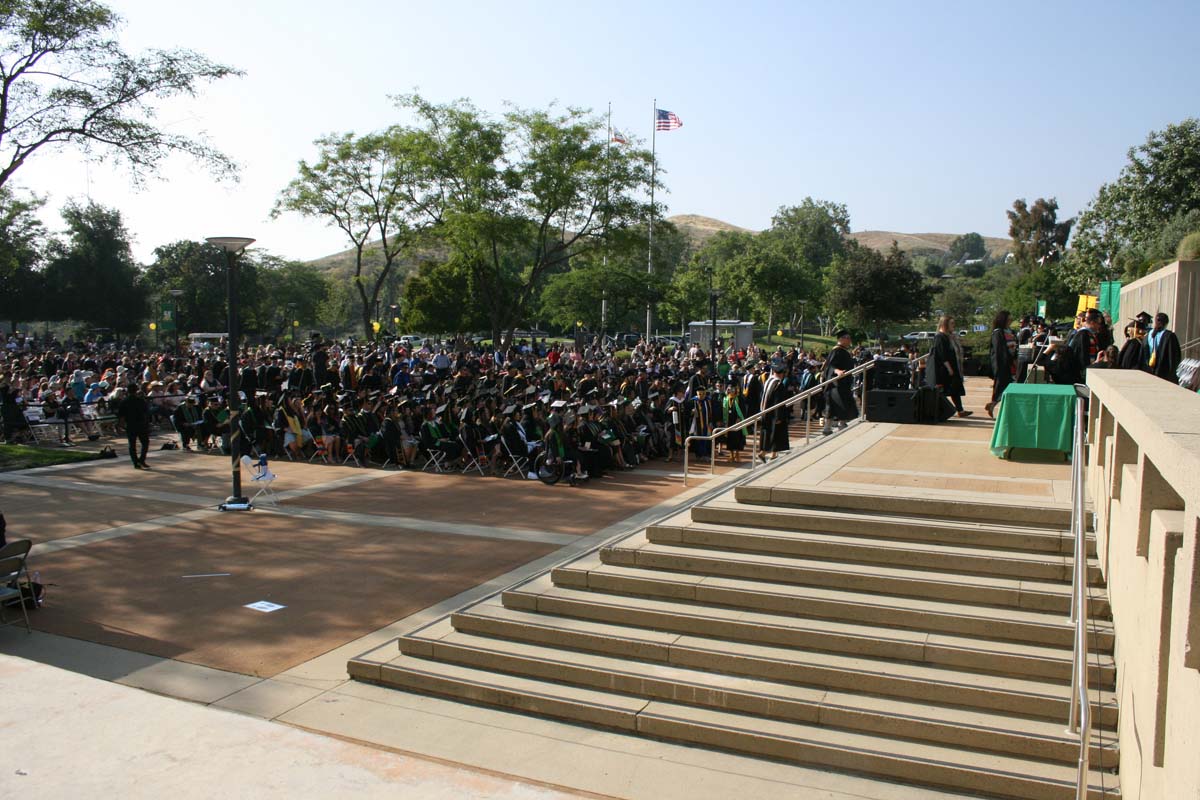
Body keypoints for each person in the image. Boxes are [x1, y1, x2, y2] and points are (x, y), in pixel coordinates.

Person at [926, 316, 971, 418]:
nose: (953, 326)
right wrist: (949, 368)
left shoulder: (949, 336)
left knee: (954, 389)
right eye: (951, 323)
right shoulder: (940, 337)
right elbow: (942, 354)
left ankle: (960, 410)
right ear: (944, 324)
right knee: (944, 390)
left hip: (951, 367)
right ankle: (937, 411)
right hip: (944, 369)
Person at [821, 331, 856, 435]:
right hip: (836, 384)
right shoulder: (837, 351)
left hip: (843, 383)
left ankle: (841, 424)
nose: (850, 340)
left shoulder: (844, 351)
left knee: (842, 403)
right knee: (834, 404)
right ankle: (828, 427)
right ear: (841, 339)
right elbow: (830, 365)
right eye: (847, 338)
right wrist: (837, 371)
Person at [985, 311, 1016, 418]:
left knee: (1007, 386)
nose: (1010, 321)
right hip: (1002, 364)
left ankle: (993, 404)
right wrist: (1006, 363)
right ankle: (994, 404)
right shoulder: (998, 333)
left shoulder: (1009, 331)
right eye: (1009, 320)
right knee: (1003, 386)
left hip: (1010, 363)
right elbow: (999, 350)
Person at [115, 383, 151, 469]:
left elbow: (121, 416)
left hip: (131, 424)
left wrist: (120, 426)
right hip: (141, 423)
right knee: (145, 443)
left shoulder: (124, 401)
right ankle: (142, 460)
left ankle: (135, 462)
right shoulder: (141, 400)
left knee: (132, 445)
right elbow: (146, 413)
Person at [1145, 312, 1182, 382]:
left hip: (1149, 372)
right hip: (1163, 375)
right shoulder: (1169, 336)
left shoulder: (1147, 335)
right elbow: (1175, 357)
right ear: (1166, 323)